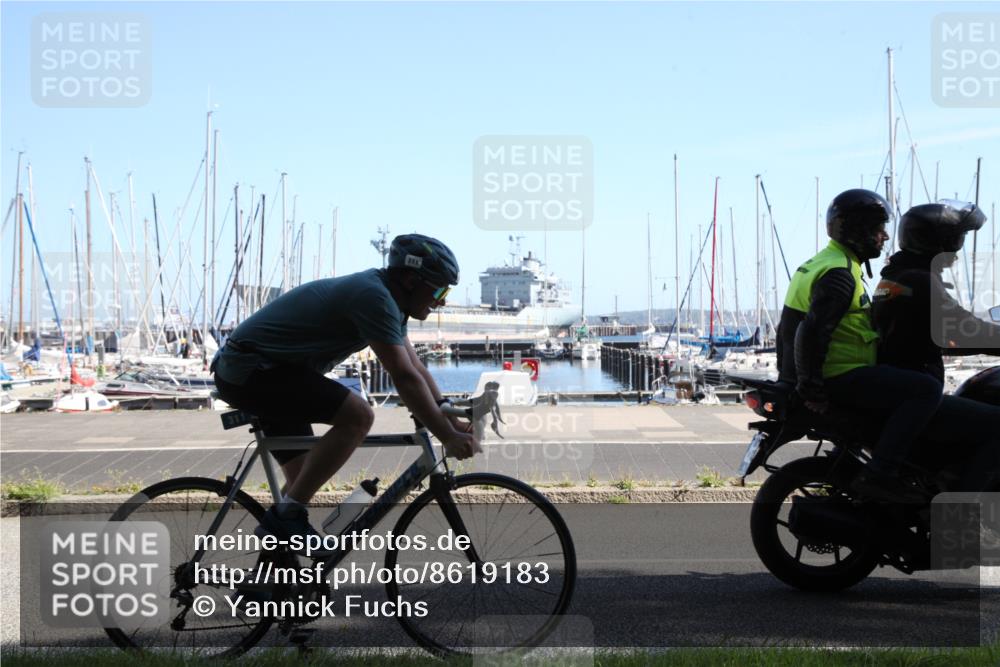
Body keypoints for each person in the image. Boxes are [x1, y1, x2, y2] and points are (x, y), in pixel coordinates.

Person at [212, 234, 477, 542]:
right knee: (358, 416)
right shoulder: (373, 298)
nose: (443, 299)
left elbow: (416, 367)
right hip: (251, 370)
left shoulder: (390, 300)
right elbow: (403, 377)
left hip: (273, 371)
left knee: (302, 481)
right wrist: (447, 437)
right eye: (440, 288)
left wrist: (449, 418)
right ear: (410, 279)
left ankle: (267, 583)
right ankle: (287, 519)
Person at [776, 189, 943, 502]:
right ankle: (882, 474)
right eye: (877, 229)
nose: (883, 236)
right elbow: (808, 333)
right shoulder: (840, 273)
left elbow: (786, 328)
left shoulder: (820, 263)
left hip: (824, 373)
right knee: (926, 390)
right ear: (856, 230)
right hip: (838, 375)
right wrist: (811, 389)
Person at [872, 200, 1000, 492]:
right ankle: (966, 515)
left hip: (902, 387)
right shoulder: (919, 281)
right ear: (937, 241)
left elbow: (943, 337)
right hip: (914, 392)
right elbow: (966, 329)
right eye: (957, 238)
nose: (959, 247)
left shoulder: (896, 277)